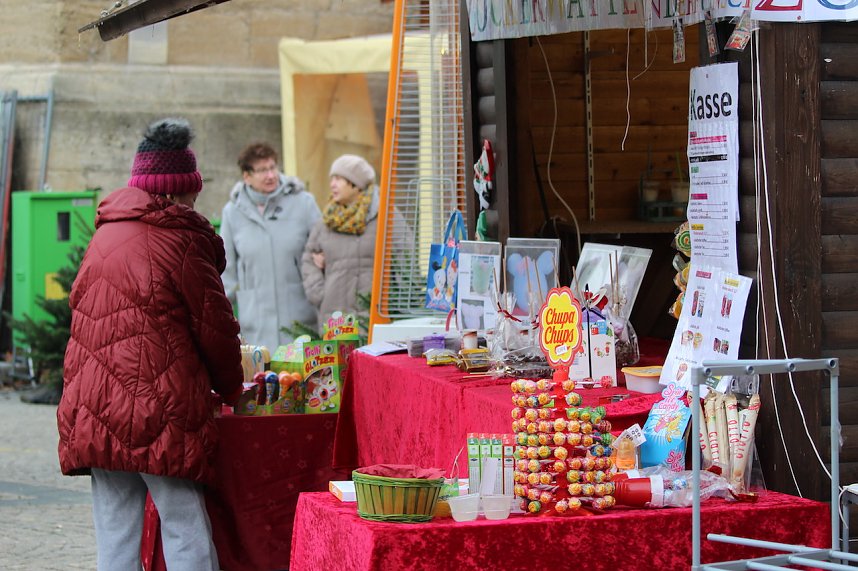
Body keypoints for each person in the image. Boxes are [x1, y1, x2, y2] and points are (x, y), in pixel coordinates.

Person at [57, 118, 243, 571]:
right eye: (192, 192)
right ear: (176, 190)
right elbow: (215, 328)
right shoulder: (181, 238)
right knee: (184, 526)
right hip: (159, 409)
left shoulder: (105, 233)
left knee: (115, 532)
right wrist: (234, 388)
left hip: (94, 407)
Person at [220, 142, 320, 349]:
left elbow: (322, 249)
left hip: (300, 322)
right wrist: (220, 318)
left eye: (273, 167)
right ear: (246, 176)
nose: (271, 175)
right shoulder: (232, 212)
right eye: (262, 170)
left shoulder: (303, 203)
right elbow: (226, 271)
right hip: (256, 325)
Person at [300, 154, 385, 333]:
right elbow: (308, 259)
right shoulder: (327, 221)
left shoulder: (385, 217)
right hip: (334, 321)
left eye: (338, 179)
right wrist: (321, 295)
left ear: (356, 184)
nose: (332, 184)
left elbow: (404, 261)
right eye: (332, 179)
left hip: (374, 320)